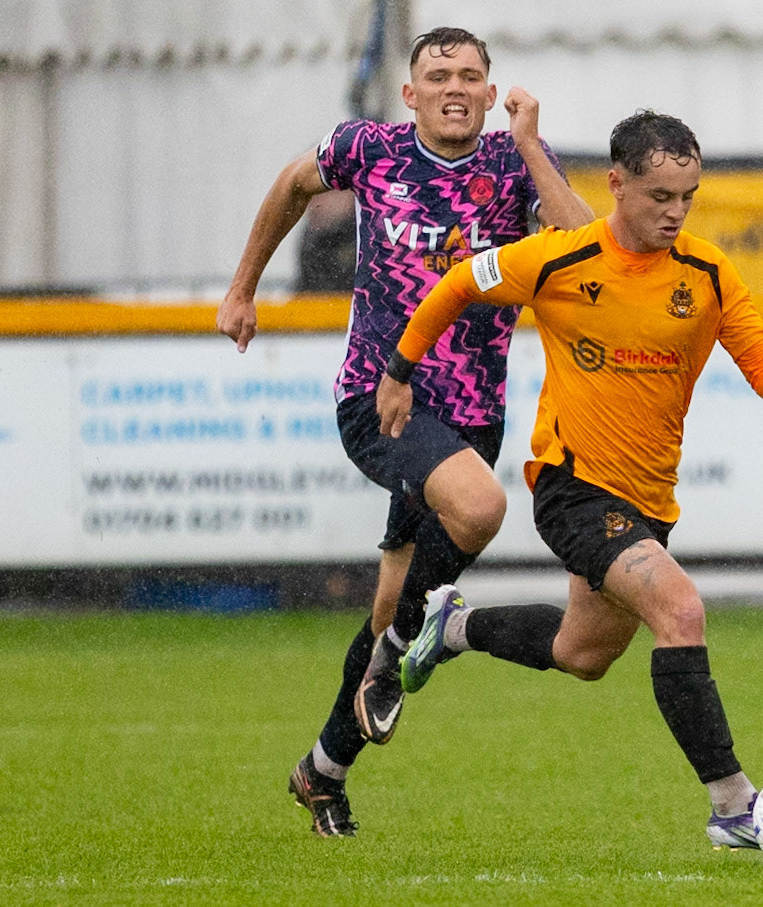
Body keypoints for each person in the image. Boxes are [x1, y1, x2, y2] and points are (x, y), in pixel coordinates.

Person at [375, 110, 763, 849]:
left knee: (583, 653)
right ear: (617, 185)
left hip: (647, 498)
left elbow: (756, 349)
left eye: (687, 196)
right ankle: (733, 806)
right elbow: (458, 286)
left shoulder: (704, 270)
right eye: (659, 195)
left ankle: (453, 626)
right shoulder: (560, 258)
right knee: (681, 609)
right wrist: (400, 370)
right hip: (572, 487)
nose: (674, 212)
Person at [216, 26, 593, 837]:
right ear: (410, 93)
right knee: (482, 508)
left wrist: (528, 148)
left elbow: (583, 247)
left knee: (390, 601)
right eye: (437, 75)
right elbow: (290, 183)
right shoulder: (369, 149)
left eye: (469, 76)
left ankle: (322, 770)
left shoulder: (512, 161)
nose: (453, 87)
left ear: (491, 96)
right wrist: (243, 287)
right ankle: (406, 651)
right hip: (376, 399)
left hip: (472, 413)